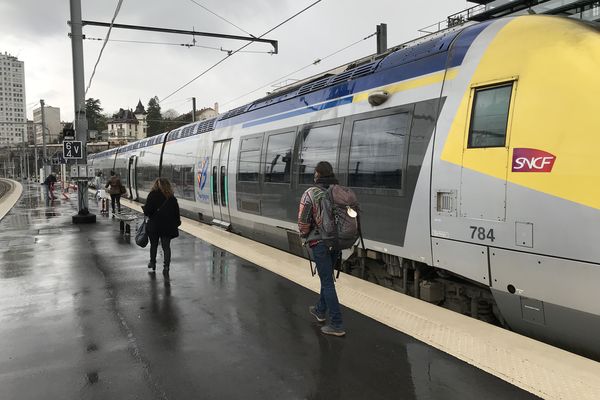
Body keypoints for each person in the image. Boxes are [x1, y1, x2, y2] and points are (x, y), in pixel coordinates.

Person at [298, 161, 345, 337]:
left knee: (327, 282)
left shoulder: (311, 193)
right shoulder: (339, 191)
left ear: (317, 174)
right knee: (327, 278)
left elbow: (303, 221)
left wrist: (304, 236)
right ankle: (319, 310)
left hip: (320, 243)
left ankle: (337, 324)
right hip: (337, 242)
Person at [143, 177, 181, 275]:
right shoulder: (171, 197)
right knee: (166, 247)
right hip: (167, 227)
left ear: (155, 184)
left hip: (154, 226)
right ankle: (166, 266)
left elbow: (147, 211)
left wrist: (145, 209)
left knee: (154, 245)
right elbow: (176, 214)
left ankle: (152, 263)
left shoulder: (152, 195)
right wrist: (176, 223)